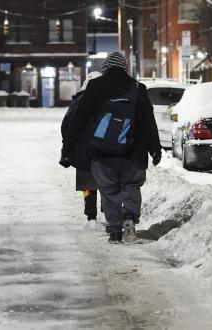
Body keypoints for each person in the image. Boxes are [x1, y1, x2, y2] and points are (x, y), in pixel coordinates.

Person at [60, 51, 160, 243]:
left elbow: (78, 119)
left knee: (109, 189)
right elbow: (149, 122)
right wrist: (154, 149)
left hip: (102, 150)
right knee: (131, 185)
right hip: (133, 151)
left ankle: (114, 230)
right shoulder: (138, 88)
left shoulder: (95, 86)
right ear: (125, 68)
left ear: (105, 68)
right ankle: (130, 218)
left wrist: (67, 148)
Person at [61, 70, 103, 228]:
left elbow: (67, 126)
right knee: (107, 183)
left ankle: (91, 218)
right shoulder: (109, 100)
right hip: (106, 150)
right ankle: (106, 213)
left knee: (88, 185)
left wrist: (67, 147)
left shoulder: (80, 101)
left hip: (83, 152)